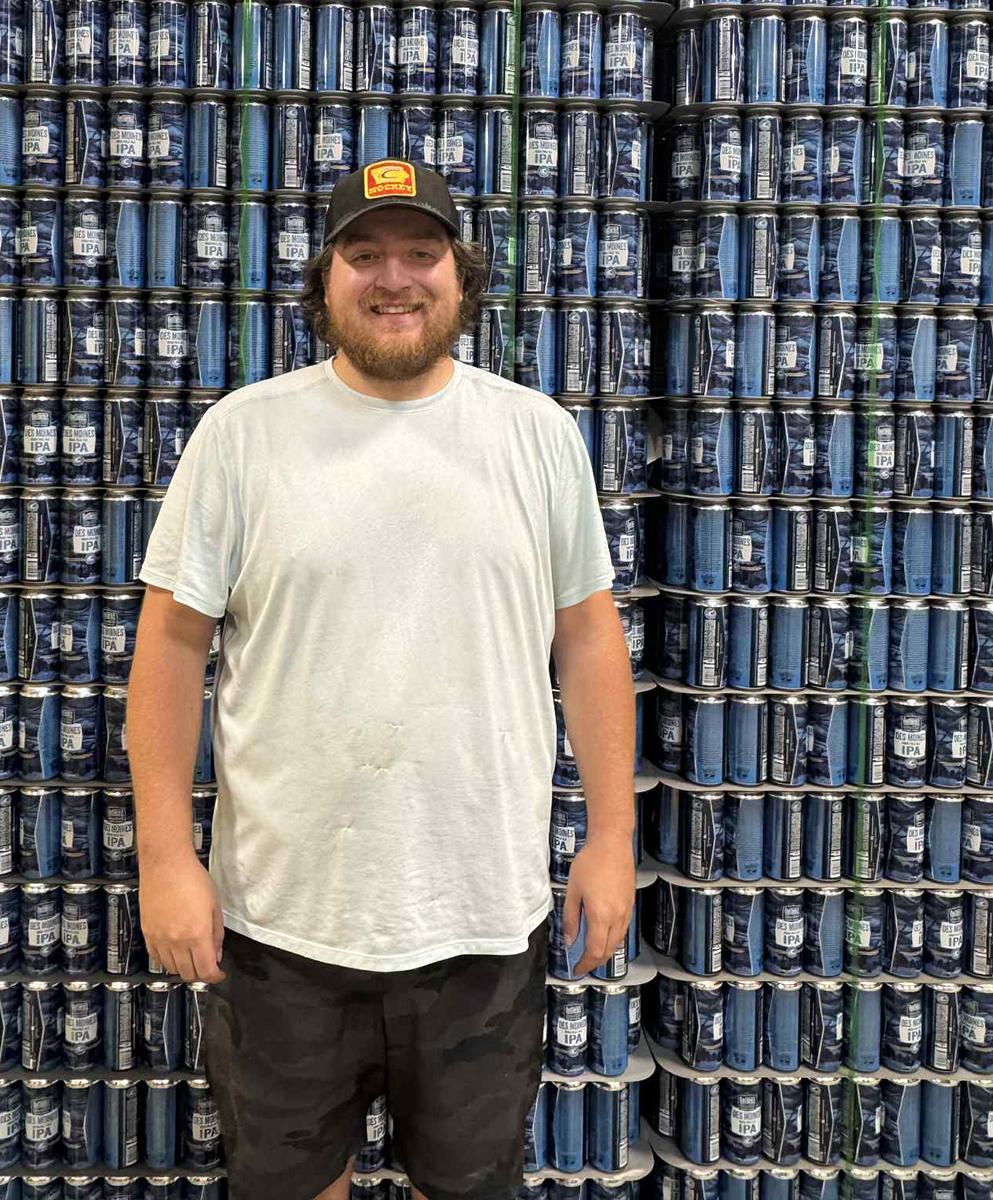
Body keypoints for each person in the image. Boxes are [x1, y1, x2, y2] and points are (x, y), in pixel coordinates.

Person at [128, 159, 637, 1200]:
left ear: (462, 276)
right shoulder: (243, 434)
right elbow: (171, 649)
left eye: (421, 253)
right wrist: (166, 859)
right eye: (363, 254)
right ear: (324, 281)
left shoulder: (536, 434)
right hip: (281, 926)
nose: (394, 279)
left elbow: (589, 640)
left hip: (481, 923)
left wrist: (613, 838)